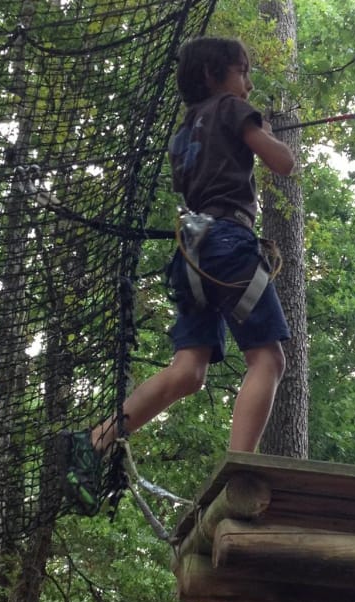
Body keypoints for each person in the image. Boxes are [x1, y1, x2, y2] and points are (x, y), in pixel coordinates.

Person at [62, 36, 296, 513]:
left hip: (191, 251)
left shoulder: (184, 132)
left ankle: (96, 439)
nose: (248, 83)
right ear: (215, 75)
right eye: (242, 71)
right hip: (229, 243)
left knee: (188, 372)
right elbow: (284, 163)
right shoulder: (231, 107)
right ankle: (240, 467)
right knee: (268, 361)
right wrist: (264, 131)